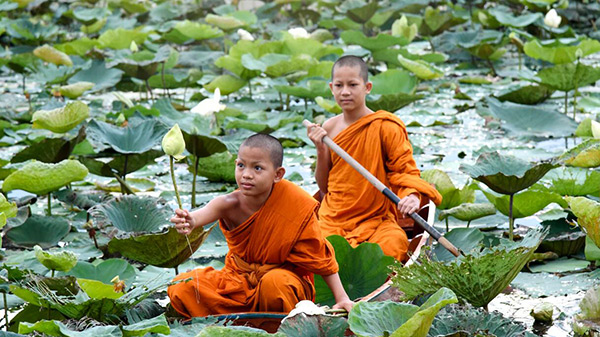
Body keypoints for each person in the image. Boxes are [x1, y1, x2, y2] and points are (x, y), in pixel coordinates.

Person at [167, 134, 354, 318]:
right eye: (241, 165)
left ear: (278, 174)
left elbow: (320, 258)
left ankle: (272, 327)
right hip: (236, 283)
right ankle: (241, 323)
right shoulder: (228, 203)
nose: (246, 175)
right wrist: (188, 221)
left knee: (275, 283)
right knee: (182, 285)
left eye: (257, 168)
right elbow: (197, 217)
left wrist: (342, 298)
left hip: (282, 285)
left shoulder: (294, 203)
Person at [306, 55, 442, 262]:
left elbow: (405, 171)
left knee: (394, 245)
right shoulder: (329, 129)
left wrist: (413, 197)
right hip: (333, 218)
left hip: (375, 219)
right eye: (339, 85)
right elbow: (324, 187)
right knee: (315, 251)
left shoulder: (385, 126)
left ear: (367, 87)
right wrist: (320, 149)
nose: (345, 92)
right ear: (331, 88)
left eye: (353, 85)